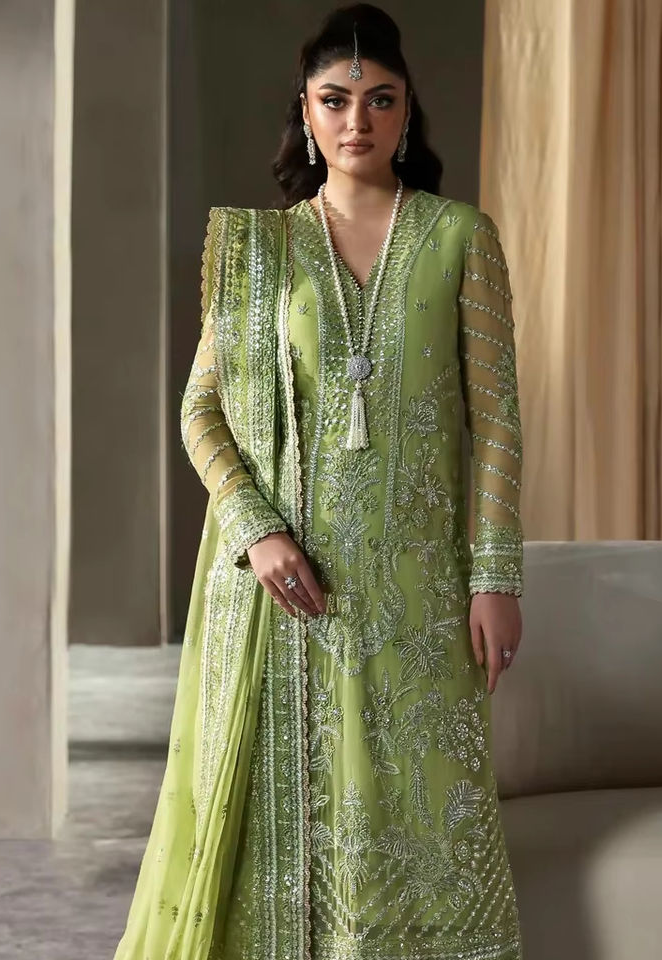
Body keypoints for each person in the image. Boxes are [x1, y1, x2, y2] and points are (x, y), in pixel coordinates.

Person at [112, 5, 524, 958]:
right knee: (280, 812)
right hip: (287, 588)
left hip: (420, 586)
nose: (357, 120)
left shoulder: (461, 237)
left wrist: (496, 576)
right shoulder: (262, 251)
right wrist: (255, 529)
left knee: (422, 814)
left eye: (380, 99)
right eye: (335, 100)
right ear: (305, 112)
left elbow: (498, 420)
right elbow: (202, 411)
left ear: (408, 111)